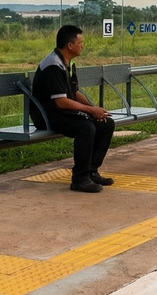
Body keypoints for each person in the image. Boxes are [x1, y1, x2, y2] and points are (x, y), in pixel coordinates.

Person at [31, 25, 116, 193]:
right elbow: (61, 102)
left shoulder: (65, 61)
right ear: (70, 45)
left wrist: (93, 109)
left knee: (105, 123)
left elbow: (73, 93)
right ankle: (79, 179)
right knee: (86, 127)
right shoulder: (53, 65)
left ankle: (91, 171)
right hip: (47, 116)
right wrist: (90, 111)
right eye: (80, 42)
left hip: (61, 112)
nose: (82, 45)